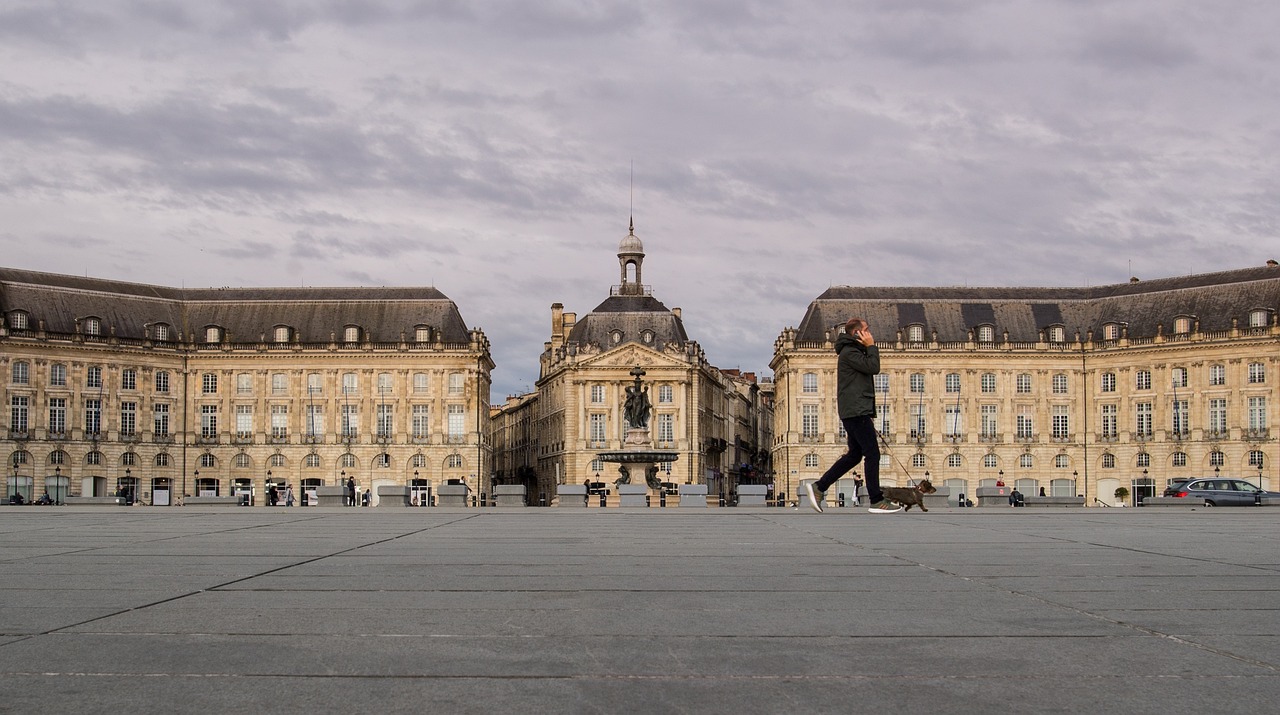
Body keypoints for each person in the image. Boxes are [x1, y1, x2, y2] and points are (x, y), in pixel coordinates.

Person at [805, 317, 901, 514]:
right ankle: (876, 500)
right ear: (858, 333)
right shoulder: (849, 353)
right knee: (872, 453)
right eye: (867, 329)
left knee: (855, 455)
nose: (870, 332)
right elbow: (873, 368)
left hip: (855, 409)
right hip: (856, 410)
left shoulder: (853, 351)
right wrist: (871, 346)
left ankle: (819, 487)